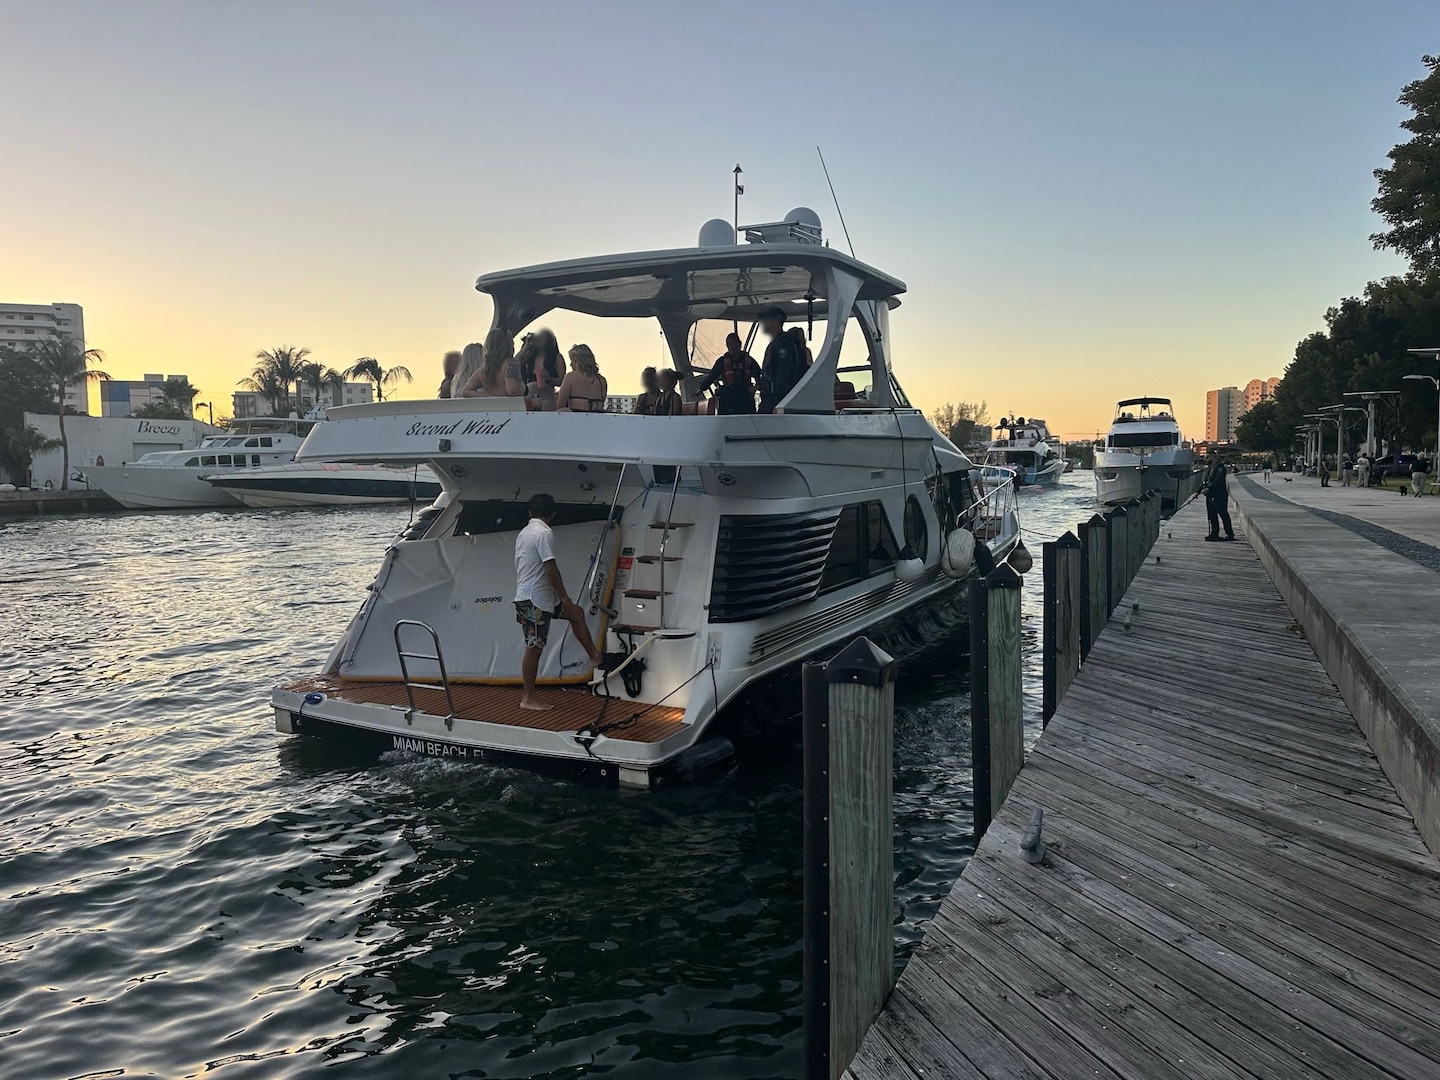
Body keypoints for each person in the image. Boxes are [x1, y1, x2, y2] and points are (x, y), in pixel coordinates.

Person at [513, 493, 603, 710]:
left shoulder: (524, 532)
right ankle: (528, 698)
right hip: (534, 600)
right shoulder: (544, 533)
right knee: (533, 648)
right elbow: (550, 569)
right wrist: (564, 596)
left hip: (542, 597)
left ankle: (595, 658)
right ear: (553, 514)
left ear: (529, 512)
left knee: (576, 613)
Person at [757, 306, 807, 413]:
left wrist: (779, 403)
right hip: (770, 399)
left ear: (776, 321)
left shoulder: (783, 343)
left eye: (767, 319)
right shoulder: (776, 343)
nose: (764, 323)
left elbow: (783, 374)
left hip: (777, 401)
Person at [702, 333, 762, 415]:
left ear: (739, 344)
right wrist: (701, 389)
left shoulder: (749, 361)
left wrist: (756, 387)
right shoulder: (722, 362)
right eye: (729, 344)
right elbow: (712, 376)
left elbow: (760, 377)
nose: (732, 346)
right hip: (728, 398)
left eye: (735, 343)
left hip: (745, 398)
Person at [462, 330, 525, 398]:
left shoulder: (483, 370)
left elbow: (466, 391)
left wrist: (490, 398)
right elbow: (513, 390)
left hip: (491, 407)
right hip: (510, 406)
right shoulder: (511, 364)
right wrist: (531, 401)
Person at [557, 344, 608, 412]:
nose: (570, 364)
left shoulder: (570, 377)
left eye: (572, 360)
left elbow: (560, 406)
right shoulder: (602, 380)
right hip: (597, 417)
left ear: (577, 361)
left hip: (576, 417)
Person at [1202, 450, 1234, 542]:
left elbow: (1218, 481)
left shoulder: (1220, 467)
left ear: (1213, 456)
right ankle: (1214, 533)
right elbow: (1207, 481)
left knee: (1223, 514)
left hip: (1219, 495)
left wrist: (1209, 488)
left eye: (1207, 457)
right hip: (1211, 495)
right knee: (1212, 515)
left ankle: (1229, 534)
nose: (1206, 459)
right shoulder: (1210, 468)